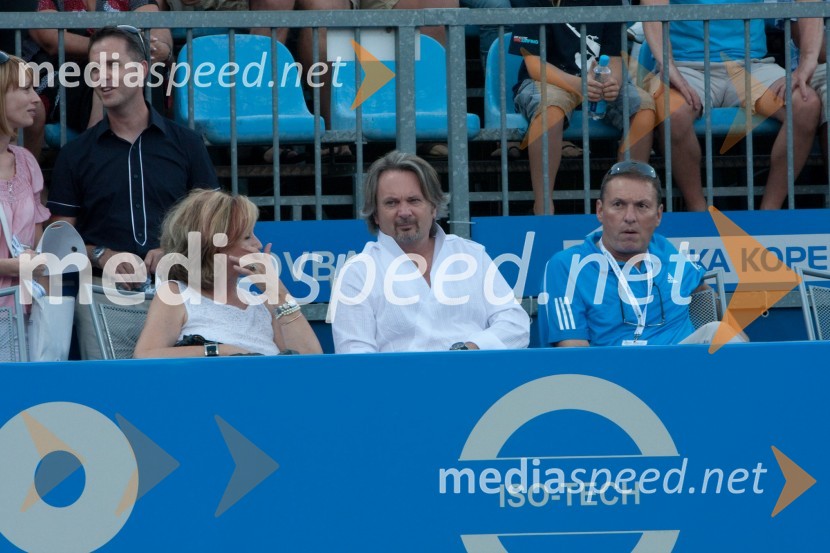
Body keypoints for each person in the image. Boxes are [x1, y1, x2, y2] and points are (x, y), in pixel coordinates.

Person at [47, 26, 218, 289]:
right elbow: (58, 243)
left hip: (182, 294)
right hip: (103, 297)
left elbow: (215, 223)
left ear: (141, 70)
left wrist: (175, 251)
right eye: (94, 69)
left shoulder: (188, 144)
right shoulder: (74, 154)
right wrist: (100, 254)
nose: (102, 77)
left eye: (113, 66)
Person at [330, 150, 530, 353]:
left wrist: (468, 349)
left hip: (474, 377)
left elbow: (516, 325)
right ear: (375, 215)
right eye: (391, 203)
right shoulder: (357, 273)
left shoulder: (471, 255)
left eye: (414, 200)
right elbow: (355, 355)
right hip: (398, 383)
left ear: (433, 207)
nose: (404, 212)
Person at [540, 161, 746, 347]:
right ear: (600, 211)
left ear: (658, 215)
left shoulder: (667, 250)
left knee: (720, 332)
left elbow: (707, 298)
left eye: (642, 206)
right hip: (613, 377)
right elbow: (574, 355)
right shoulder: (567, 265)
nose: (630, 217)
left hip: (684, 371)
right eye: (618, 205)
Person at [642, 0, 822, 210]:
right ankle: (699, 214)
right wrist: (668, 64)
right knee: (671, 111)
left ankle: (769, 213)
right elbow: (652, 6)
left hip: (752, 65)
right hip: (686, 67)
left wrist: (809, 59)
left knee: (805, 104)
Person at [134, 189, 322, 357]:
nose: (257, 244)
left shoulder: (264, 302)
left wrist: (278, 293)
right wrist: (219, 350)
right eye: (247, 237)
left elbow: (311, 362)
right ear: (213, 246)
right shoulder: (176, 294)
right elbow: (146, 355)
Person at [510, 0, 656, 215]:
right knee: (550, 111)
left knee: (644, 109)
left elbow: (614, 57)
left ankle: (626, 204)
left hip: (596, 80)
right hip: (548, 81)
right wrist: (581, 85)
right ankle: (543, 206)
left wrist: (612, 82)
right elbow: (534, 66)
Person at [28, 1, 174, 140]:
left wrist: (160, 47)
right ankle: (100, 149)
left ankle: (153, 143)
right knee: (105, 74)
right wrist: (108, 50)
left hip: (121, 67)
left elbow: (155, 28)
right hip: (65, 73)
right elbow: (51, 39)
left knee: (148, 67)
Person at [0, 51, 51, 306]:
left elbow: (39, 247)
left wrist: (49, 312)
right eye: (26, 89)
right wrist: (11, 266)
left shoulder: (27, 161)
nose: (36, 99)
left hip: (27, 318)